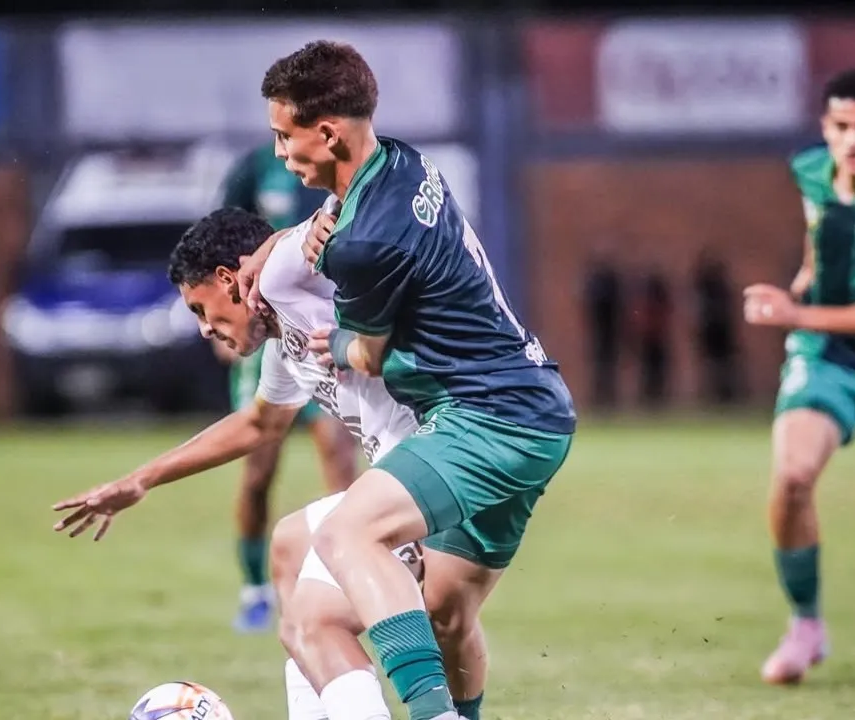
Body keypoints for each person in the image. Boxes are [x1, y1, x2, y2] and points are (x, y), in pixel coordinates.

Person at [239, 40, 576, 720]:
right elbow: (354, 218)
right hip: (534, 407)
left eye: (284, 135)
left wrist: (329, 340)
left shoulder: (361, 245)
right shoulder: (404, 160)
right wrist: (284, 240)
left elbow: (364, 354)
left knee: (348, 535)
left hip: (487, 418)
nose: (279, 153)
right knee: (444, 614)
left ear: (327, 132)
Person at [50, 207, 486, 719]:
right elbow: (260, 424)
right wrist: (141, 480)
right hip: (419, 475)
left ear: (228, 278)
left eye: (200, 308)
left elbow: (363, 209)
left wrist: (308, 226)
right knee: (292, 546)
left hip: (441, 467)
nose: (205, 329)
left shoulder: (315, 287)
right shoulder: (284, 346)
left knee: (314, 622)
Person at [743, 68, 855, 684]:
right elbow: (823, 235)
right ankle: (805, 627)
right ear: (825, 129)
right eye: (841, 127)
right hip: (826, 355)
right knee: (792, 476)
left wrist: (794, 311)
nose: (853, 140)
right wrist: (807, 279)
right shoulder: (810, 171)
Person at [219, 144, 358, 632]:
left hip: (324, 335)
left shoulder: (345, 166)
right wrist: (226, 316)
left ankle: (353, 571)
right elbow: (225, 240)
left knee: (341, 459)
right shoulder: (255, 166)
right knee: (258, 471)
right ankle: (254, 588)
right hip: (268, 341)